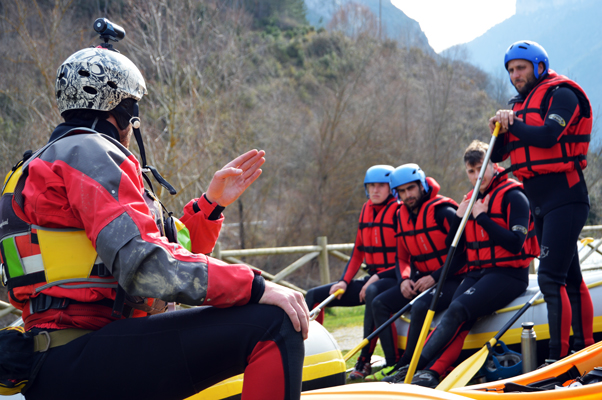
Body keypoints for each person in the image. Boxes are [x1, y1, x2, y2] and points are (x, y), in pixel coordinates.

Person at [0, 38, 308, 400]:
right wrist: (257, 286)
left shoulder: (32, 168)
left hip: (53, 356)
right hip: (85, 353)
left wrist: (210, 205)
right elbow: (148, 266)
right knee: (273, 325)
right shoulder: (89, 152)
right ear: (124, 111)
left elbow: (168, 249)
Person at [389, 141, 539, 388]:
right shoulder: (470, 199)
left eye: (481, 168)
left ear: (494, 165)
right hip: (477, 272)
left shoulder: (515, 196)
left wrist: (481, 217)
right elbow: (453, 245)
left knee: (458, 308)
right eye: (471, 171)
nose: (477, 176)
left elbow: (515, 244)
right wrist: (460, 218)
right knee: (456, 317)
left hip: (508, 273)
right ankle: (431, 373)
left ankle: (412, 368)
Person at [489, 40, 594, 363]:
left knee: (550, 277)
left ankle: (557, 359)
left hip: (566, 196)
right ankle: (586, 348)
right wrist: (499, 128)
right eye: (510, 70)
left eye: (520, 68)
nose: (515, 75)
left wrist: (514, 123)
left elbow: (549, 136)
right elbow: (497, 156)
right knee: (571, 279)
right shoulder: (517, 107)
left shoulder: (563, 94)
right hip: (539, 202)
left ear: (538, 67)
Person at [366, 163, 464, 382]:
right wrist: (404, 279)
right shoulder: (401, 215)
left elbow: (463, 255)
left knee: (420, 305)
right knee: (379, 303)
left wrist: (434, 277)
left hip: (453, 278)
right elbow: (401, 257)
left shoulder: (443, 212)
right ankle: (393, 363)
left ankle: (408, 365)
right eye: (402, 191)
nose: (408, 195)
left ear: (421, 186)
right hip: (423, 279)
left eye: (411, 188)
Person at [305, 165, 399, 380]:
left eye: (381, 186)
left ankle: (367, 361)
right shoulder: (366, 209)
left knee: (373, 291)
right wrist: (344, 282)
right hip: (372, 278)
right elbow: (358, 252)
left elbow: (406, 258)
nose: (375, 190)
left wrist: (377, 277)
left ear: (391, 187)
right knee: (314, 296)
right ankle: (312, 356)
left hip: (394, 279)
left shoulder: (399, 212)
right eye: (371, 186)